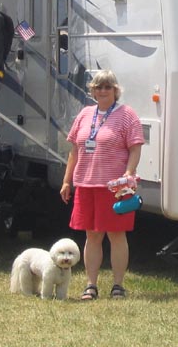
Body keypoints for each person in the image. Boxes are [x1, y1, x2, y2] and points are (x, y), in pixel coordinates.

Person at [60, 70, 143, 300]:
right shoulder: (85, 114)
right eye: (98, 87)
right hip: (86, 184)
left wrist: (129, 173)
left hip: (115, 187)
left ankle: (118, 285)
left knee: (116, 235)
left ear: (116, 91)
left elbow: (135, 148)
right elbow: (74, 151)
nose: (103, 91)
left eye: (108, 87)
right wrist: (67, 181)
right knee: (92, 235)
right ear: (93, 92)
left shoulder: (127, 115)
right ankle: (91, 285)